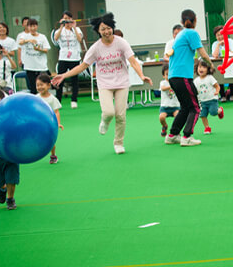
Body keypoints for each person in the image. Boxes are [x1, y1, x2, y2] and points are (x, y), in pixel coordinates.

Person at [52, 13, 152, 154]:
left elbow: (133, 61)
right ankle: (105, 121)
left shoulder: (121, 42)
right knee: (109, 112)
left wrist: (142, 75)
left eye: (108, 28)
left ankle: (118, 143)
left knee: (121, 115)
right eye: (103, 29)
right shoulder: (96, 48)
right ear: (98, 31)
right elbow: (82, 66)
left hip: (122, 82)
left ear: (112, 28)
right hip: (105, 83)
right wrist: (63, 75)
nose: (106, 31)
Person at [165, 9, 214, 147]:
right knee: (195, 108)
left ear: (182, 22)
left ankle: (172, 135)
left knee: (185, 107)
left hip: (174, 77)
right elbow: (202, 53)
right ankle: (187, 136)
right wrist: (211, 64)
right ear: (196, 20)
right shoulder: (192, 33)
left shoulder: (180, 34)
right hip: (182, 77)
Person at [53, 10, 84, 108]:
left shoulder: (77, 29)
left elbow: (80, 40)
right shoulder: (59, 30)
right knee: (60, 79)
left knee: (74, 79)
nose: (67, 20)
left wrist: (74, 27)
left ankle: (74, 99)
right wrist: (61, 26)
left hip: (74, 57)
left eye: (69, 18)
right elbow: (56, 39)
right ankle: (58, 100)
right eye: (65, 18)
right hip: (63, 57)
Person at [35, 73, 63, 164]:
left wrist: (58, 123)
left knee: (50, 142)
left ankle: (53, 155)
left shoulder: (52, 99)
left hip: (49, 124)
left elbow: (56, 112)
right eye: (37, 85)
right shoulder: (35, 98)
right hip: (38, 124)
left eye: (41, 85)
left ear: (48, 85)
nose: (39, 87)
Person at [16, 18, 50, 94]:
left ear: (37, 26)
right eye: (30, 26)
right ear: (27, 27)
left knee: (42, 87)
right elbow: (20, 42)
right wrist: (29, 40)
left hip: (40, 66)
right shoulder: (24, 36)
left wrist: (39, 49)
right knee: (32, 88)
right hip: (29, 66)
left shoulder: (42, 37)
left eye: (34, 26)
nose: (32, 28)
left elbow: (46, 50)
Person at [194, 59, 224, 135]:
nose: (201, 69)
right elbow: (195, 90)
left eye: (204, 67)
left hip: (212, 100)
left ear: (208, 69)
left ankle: (220, 110)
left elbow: (217, 86)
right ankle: (207, 127)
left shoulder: (210, 78)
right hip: (202, 101)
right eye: (199, 67)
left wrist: (217, 91)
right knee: (202, 115)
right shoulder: (196, 80)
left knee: (213, 113)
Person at [211, 25, 233, 101]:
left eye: (221, 34)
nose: (220, 37)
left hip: (230, 62)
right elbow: (215, 56)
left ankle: (232, 94)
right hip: (220, 64)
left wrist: (226, 44)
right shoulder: (214, 44)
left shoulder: (230, 41)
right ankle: (222, 95)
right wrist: (219, 44)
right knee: (219, 76)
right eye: (218, 35)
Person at [158, 64, 180, 137]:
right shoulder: (163, 82)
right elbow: (163, 88)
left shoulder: (177, 82)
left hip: (175, 106)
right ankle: (164, 126)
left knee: (178, 117)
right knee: (161, 117)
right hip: (165, 106)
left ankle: (176, 130)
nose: (169, 75)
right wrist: (171, 86)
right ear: (164, 76)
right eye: (167, 74)